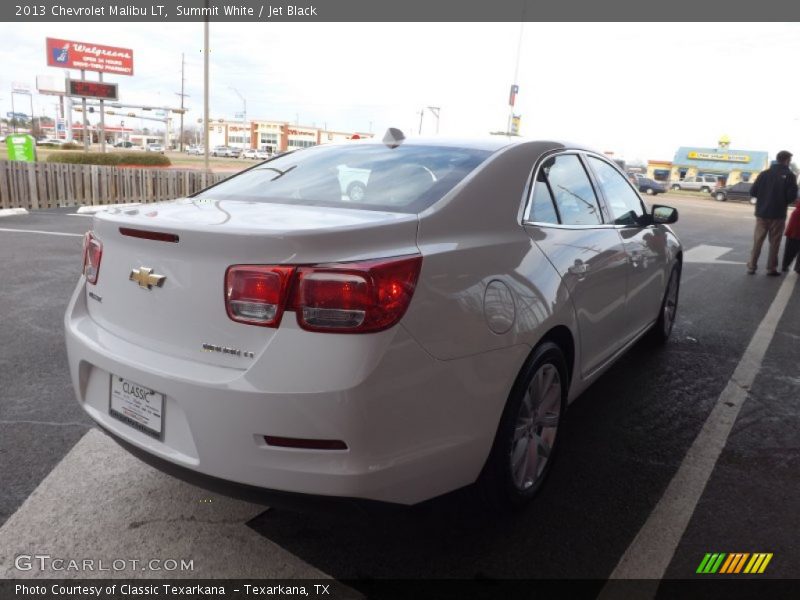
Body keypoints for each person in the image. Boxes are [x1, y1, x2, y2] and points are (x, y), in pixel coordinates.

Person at [747, 150, 799, 275]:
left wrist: (765, 196)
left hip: (762, 213)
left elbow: (753, 192)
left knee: (757, 241)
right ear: (787, 160)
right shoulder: (790, 175)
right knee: (774, 243)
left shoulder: (764, 174)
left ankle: (751, 267)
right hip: (778, 215)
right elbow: (792, 197)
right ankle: (771, 269)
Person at [781, 198, 800, 273]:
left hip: (793, 230)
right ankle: (797, 267)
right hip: (795, 229)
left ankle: (785, 265)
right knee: (791, 248)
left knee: (790, 249)